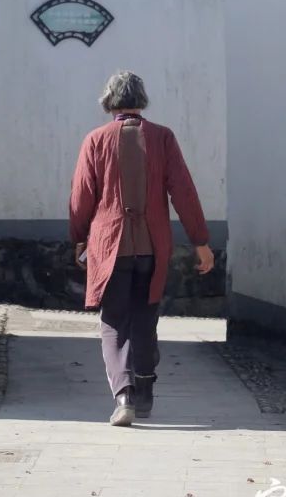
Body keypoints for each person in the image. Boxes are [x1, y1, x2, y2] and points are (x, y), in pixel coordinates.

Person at [69, 69, 214, 426]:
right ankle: (145, 387)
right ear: (142, 99)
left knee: (114, 321)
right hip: (152, 246)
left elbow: (81, 197)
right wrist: (201, 242)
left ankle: (125, 396)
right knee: (145, 318)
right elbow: (184, 191)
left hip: (110, 246)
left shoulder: (96, 140)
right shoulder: (162, 138)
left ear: (109, 102)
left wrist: (78, 238)